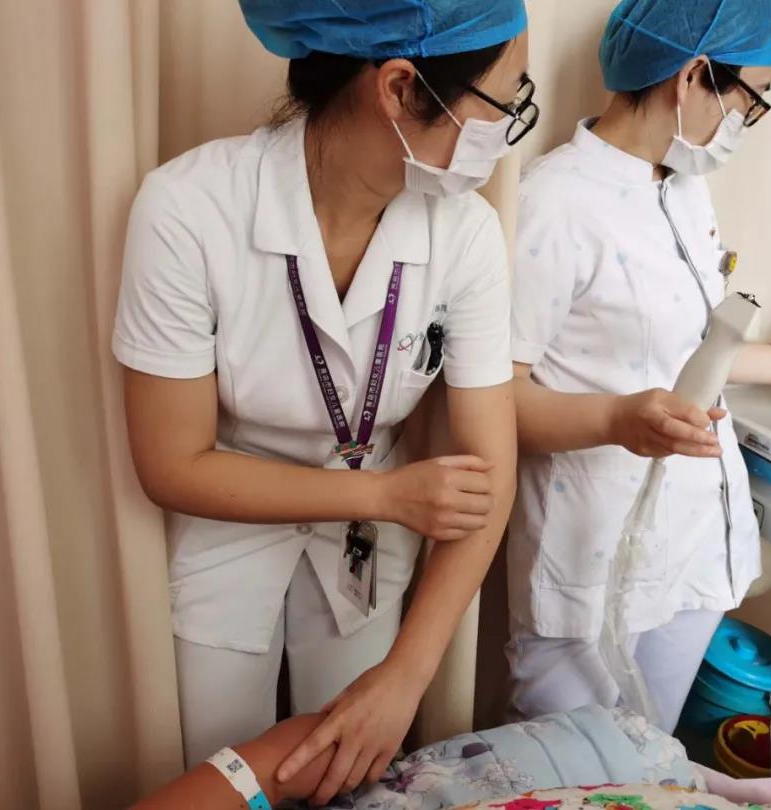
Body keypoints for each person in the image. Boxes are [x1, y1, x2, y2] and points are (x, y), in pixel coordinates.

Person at [114, 0, 536, 802]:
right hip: (232, 525)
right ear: (401, 87)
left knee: (350, 777)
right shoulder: (188, 208)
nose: (505, 129)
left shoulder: (467, 234)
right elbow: (171, 464)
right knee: (220, 775)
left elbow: (490, 475)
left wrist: (407, 675)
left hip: (367, 551)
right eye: (500, 101)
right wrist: (380, 495)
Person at [505, 0, 771, 733]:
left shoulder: (685, 190)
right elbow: (492, 401)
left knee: (652, 762)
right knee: (576, 770)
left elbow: (690, 351)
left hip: (690, 549)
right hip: (591, 554)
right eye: (752, 99)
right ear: (694, 75)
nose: (747, 122)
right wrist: (617, 420)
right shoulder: (553, 203)